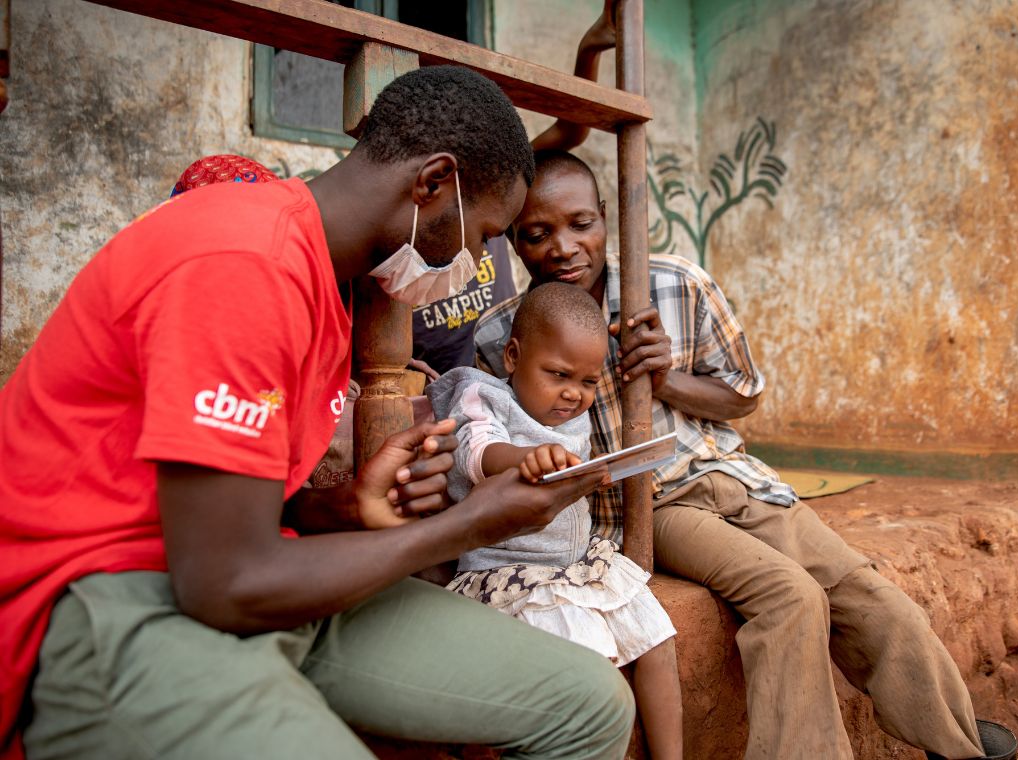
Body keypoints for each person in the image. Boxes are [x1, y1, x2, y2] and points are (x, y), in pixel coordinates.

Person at [0, 69, 634, 760]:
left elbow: (227, 508)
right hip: (105, 601)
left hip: (242, 580)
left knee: (589, 705)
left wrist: (341, 509)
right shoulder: (243, 263)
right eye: (484, 234)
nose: (480, 260)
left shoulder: (327, 282)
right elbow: (223, 584)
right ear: (433, 183)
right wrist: (467, 525)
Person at [474, 150, 995, 760]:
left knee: (864, 592)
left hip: (732, 475)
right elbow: (498, 438)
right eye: (537, 234)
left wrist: (664, 380)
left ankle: (960, 747)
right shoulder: (500, 335)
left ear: (606, 218)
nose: (563, 248)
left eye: (580, 224)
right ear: (513, 239)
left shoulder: (675, 283)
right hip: (652, 504)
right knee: (791, 596)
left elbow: (743, 394)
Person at [428, 282, 683, 760]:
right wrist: (527, 458)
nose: (573, 393)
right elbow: (476, 452)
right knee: (587, 660)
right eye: (559, 374)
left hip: (578, 565)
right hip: (508, 574)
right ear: (512, 356)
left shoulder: (568, 412)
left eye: (588, 382)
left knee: (657, 638)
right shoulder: (483, 396)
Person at [409, 0, 617, 381]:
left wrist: (589, 48)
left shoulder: (493, 190)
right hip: (436, 388)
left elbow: (570, 129)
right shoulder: (398, 222)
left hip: (504, 373)